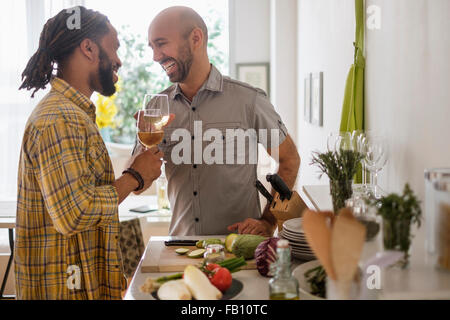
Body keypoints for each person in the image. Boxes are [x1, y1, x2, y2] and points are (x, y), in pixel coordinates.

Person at [15, 6, 164, 300]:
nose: (119, 60)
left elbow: (87, 196)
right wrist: (134, 176)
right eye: (115, 48)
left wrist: (138, 171)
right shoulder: (60, 118)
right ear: (89, 48)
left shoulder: (74, 115)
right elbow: (75, 213)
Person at [146, 6, 300, 237]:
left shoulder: (249, 100)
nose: (156, 56)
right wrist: (143, 158)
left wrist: (268, 221)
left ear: (196, 38)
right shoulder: (156, 108)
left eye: (161, 44)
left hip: (239, 249)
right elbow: (140, 185)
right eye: (152, 47)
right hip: (181, 247)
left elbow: (289, 159)